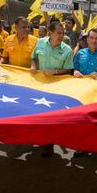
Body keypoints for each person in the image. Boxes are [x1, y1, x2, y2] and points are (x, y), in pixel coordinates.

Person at [30, 21, 73, 156]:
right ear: (50, 32)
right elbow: (34, 57)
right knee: (36, 112)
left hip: (56, 87)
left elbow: (68, 70)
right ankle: (37, 137)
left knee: (52, 116)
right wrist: (33, 66)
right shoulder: (40, 42)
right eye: (58, 33)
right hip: (38, 85)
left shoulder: (67, 50)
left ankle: (49, 143)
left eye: (63, 33)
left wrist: (54, 72)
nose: (61, 36)